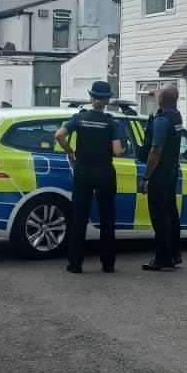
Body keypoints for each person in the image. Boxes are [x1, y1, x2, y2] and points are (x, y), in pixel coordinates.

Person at [55, 81, 124, 274]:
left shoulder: (79, 118)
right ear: (107, 100)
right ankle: (108, 264)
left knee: (79, 218)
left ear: (91, 98)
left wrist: (71, 152)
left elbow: (59, 135)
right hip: (104, 172)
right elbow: (117, 152)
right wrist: (122, 149)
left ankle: (75, 264)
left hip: (83, 171)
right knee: (107, 219)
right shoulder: (112, 122)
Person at [141, 83, 183, 271]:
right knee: (171, 214)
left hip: (159, 174)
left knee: (159, 217)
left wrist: (147, 177)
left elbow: (155, 151)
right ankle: (174, 254)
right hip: (172, 171)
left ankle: (162, 257)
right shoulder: (176, 116)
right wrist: (158, 93)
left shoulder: (161, 121)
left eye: (158, 94)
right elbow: (165, 96)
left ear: (161, 100)